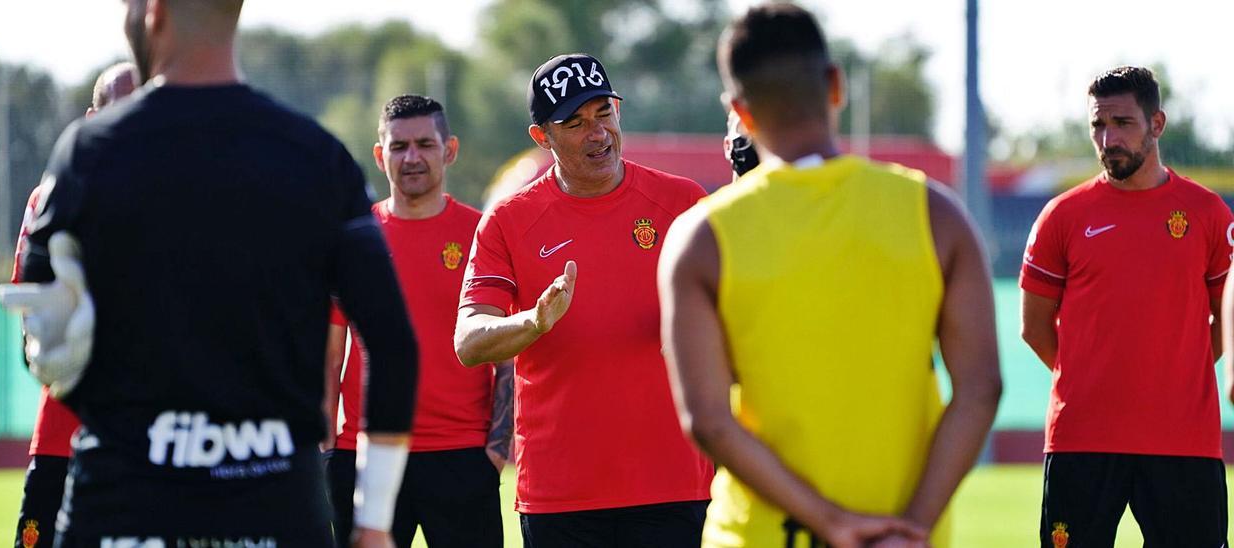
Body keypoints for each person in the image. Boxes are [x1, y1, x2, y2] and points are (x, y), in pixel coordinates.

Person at [0, 1, 417, 546]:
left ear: (154, 13)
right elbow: (393, 343)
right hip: (275, 507)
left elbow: (42, 335)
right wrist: (375, 523)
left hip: (127, 509)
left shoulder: (90, 153)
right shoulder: (316, 157)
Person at [659, 5, 1003, 547]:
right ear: (835, 84)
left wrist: (833, 525)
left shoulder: (699, 238)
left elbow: (707, 421)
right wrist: (911, 529)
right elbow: (980, 388)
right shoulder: (936, 213)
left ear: (740, 113)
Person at [454, 53, 715, 547]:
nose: (596, 133)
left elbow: (734, 314)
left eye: (603, 114)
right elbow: (468, 341)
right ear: (542, 137)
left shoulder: (683, 202)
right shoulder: (508, 221)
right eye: (573, 122)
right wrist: (532, 322)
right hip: (561, 494)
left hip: (674, 484)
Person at [1021, 66, 1232, 547]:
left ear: (1156, 124)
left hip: (1184, 442)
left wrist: (1179, 368)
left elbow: (1229, 320)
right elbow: (1034, 327)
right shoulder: (1062, 216)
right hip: (1082, 441)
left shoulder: (1207, 214)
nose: (1107, 137)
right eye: (1098, 125)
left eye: (1122, 123)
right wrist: (1092, 379)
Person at [323, 95, 513, 548]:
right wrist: (327, 448)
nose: (412, 157)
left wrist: (497, 446)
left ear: (449, 149)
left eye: (425, 144)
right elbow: (327, 355)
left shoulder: (483, 234)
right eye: (398, 146)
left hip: (463, 455)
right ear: (379, 154)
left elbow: (507, 348)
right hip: (363, 454)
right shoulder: (353, 238)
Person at [9, 60, 139, 548]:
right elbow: (34, 320)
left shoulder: (186, 199)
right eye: (117, 112)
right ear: (91, 117)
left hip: (156, 439)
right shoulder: (52, 199)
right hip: (66, 429)